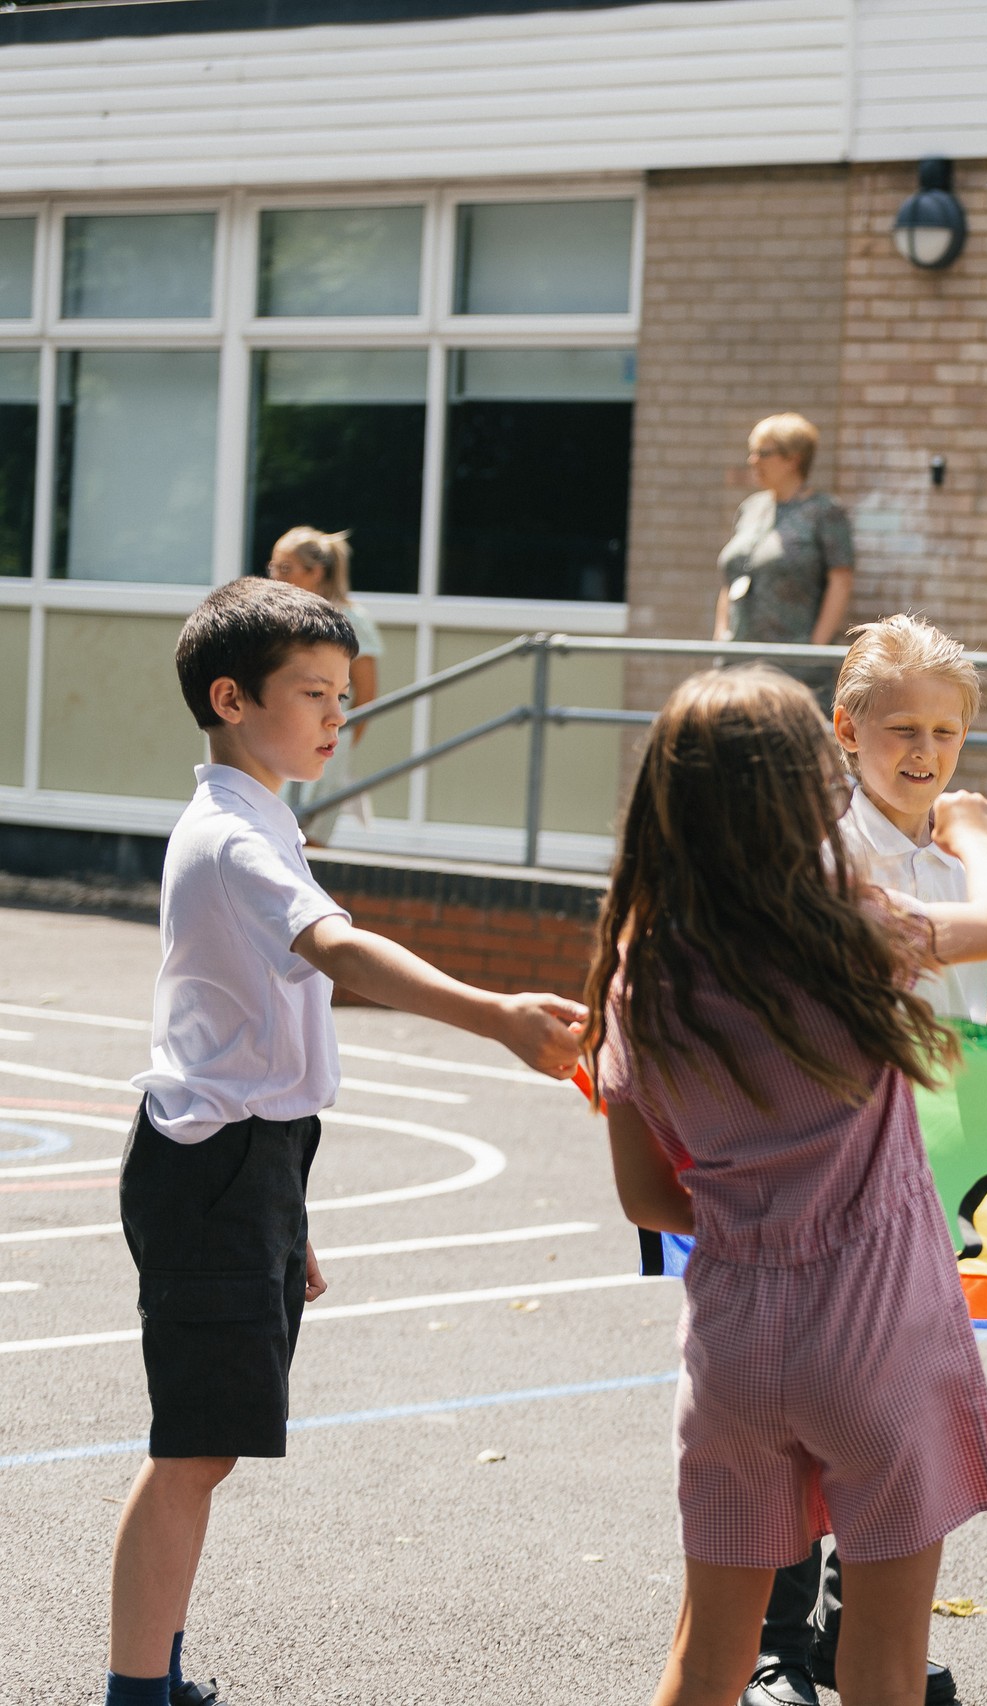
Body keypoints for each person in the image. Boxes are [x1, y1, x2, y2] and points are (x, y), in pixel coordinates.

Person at [108, 578, 585, 1706]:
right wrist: (498, 1016)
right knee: (192, 1449)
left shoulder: (263, 818)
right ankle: (137, 1691)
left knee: (206, 1446)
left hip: (251, 1162)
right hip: (213, 1164)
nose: (337, 716)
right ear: (230, 698)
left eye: (346, 696)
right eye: (313, 693)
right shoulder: (233, 839)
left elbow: (270, 1035)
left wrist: (291, 1216)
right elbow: (344, 952)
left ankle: (155, 1675)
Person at [586, 666, 987, 1706]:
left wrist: (758, 1208)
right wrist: (968, 833)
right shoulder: (845, 929)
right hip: (875, 1330)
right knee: (879, 1658)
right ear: (800, 791)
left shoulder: (640, 969)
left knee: (706, 1659)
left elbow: (647, 1195)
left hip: (734, 1341)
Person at [739, 617, 987, 1706]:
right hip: (828, 1173)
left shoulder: (985, 871)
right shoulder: (826, 856)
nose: (924, 751)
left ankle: (853, 1630)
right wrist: (983, 853)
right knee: (804, 1408)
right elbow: (970, 931)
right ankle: (774, 1639)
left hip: (933, 1187)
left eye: (946, 730)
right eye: (901, 729)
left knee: (896, 1416)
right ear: (846, 727)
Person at [715, 412, 858, 695]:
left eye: (762, 453)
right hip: (738, 659)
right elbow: (732, 577)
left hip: (793, 665)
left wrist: (814, 647)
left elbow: (841, 580)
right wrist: (721, 635)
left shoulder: (824, 511)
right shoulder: (750, 508)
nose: (752, 461)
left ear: (793, 458)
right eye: (752, 452)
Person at [265, 528, 385, 847]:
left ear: (315, 572)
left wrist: (335, 742)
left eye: (286, 569)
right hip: (283, 738)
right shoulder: (282, 619)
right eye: (273, 568)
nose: (277, 577)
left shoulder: (350, 620)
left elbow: (366, 695)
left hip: (322, 742)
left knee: (310, 837)